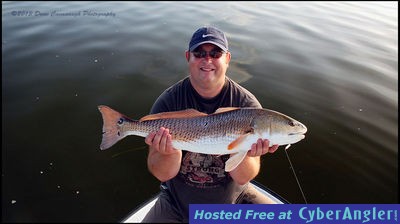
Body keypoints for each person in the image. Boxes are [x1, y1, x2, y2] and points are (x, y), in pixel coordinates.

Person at [142, 26, 279, 223]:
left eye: (215, 53)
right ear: (188, 57)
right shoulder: (168, 102)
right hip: (176, 204)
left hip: (235, 200)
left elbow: (243, 178)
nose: (207, 60)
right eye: (199, 53)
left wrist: (248, 152)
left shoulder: (248, 106)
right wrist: (169, 152)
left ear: (227, 59)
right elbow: (162, 174)